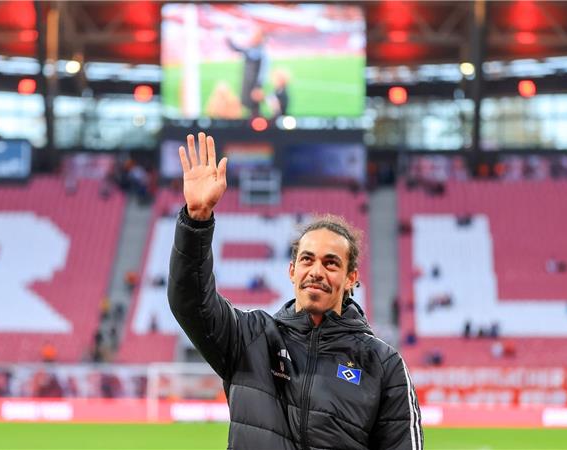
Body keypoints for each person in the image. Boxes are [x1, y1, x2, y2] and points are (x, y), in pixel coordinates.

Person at [168, 132, 423, 450]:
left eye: (331, 263)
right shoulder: (250, 338)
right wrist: (196, 220)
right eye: (307, 259)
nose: (316, 271)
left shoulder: (383, 365)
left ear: (351, 278)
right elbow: (190, 301)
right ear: (292, 270)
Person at [226, 28, 268, 117]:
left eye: (256, 36)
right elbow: (236, 48)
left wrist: (258, 87)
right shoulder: (251, 50)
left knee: (254, 110)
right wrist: (228, 36)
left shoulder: (260, 52)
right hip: (247, 83)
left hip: (253, 85)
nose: (252, 38)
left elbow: (262, 72)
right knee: (247, 108)